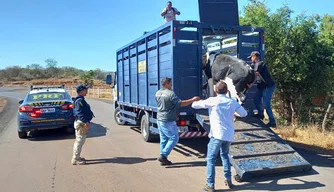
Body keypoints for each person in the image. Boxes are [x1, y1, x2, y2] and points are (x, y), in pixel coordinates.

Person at [192, 80, 247, 191]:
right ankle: (228, 180)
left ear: (215, 90)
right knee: (225, 156)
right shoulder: (232, 102)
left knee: (211, 159)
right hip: (228, 135)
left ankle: (210, 184)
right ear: (227, 91)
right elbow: (244, 114)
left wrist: (195, 100)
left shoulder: (212, 101)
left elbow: (194, 105)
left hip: (216, 135)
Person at [155, 77, 200, 166]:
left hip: (160, 118)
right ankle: (163, 155)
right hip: (168, 120)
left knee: (164, 139)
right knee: (174, 138)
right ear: (166, 84)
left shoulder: (158, 93)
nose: (171, 85)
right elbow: (181, 103)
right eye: (170, 83)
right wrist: (193, 100)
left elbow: (166, 105)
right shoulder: (170, 94)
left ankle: (164, 159)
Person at [247, 51, 277, 127]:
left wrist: (251, 84)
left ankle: (272, 122)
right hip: (262, 87)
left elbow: (256, 74)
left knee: (266, 104)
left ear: (255, 56)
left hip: (268, 87)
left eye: (251, 58)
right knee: (256, 99)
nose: (251, 59)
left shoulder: (259, 63)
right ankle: (261, 114)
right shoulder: (256, 64)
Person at [71, 84, 95, 165]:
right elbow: (79, 112)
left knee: (80, 141)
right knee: (79, 141)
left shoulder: (80, 99)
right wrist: (86, 121)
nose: (86, 91)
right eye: (85, 89)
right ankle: (75, 159)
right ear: (81, 91)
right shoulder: (79, 101)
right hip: (81, 123)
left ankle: (77, 157)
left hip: (81, 122)